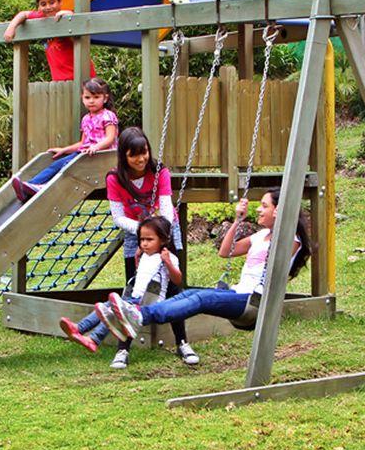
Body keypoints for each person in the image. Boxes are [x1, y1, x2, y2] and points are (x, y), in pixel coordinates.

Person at [100, 188, 311, 347]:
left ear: (279, 209)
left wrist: (283, 220)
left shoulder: (291, 239)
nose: (259, 209)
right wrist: (238, 220)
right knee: (188, 294)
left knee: (201, 300)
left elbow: (278, 260)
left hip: (254, 302)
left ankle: (140, 316)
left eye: (265, 206)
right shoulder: (259, 236)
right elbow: (225, 251)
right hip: (239, 293)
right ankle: (137, 313)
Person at [104, 127, 198, 369]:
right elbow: (118, 217)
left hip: (165, 230)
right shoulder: (115, 178)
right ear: (123, 155)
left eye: (144, 152)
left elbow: (166, 209)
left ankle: (182, 342)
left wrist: (157, 235)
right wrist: (144, 233)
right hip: (135, 232)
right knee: (133, 291)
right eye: (134, 154)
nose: (141, 159)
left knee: (174, 289)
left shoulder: (159, 172)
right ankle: (123, 349)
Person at [59, 216, 182, 358]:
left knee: (115, 311)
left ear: (163, 240)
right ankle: (79, 328)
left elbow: (177, 279)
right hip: (135, 299)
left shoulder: (168, 257)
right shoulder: (144, 255)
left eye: (149, 240)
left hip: (150, 303)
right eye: (142, 240)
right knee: (106, 306)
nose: (144, 244)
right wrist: (138, 259)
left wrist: (168, 263)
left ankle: (93, 339)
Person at [12, 77, 118, 202]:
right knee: (56, 164)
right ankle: (32, 185)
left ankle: (43, 186)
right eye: (87, 97)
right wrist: (64, 150)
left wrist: (96, 147)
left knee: (66, 167)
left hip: (101, 157)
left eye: (96, 97)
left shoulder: (107, 116)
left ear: (105, 98)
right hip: (85, 155)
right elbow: (82, 143)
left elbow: (110, 138)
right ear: (82, 98)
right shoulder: (86, 119)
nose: (91, 101)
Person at [2, 0, 96, 81]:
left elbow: (79, 34)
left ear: (60, 2)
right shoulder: (41, 17)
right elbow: (24, 14)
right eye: (43, 4)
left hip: (84, 80)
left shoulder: (66, 16)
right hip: (60, 85)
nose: (48, 7)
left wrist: (69, 15)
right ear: (38, 7)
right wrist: (11, 27)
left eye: (52, 2)